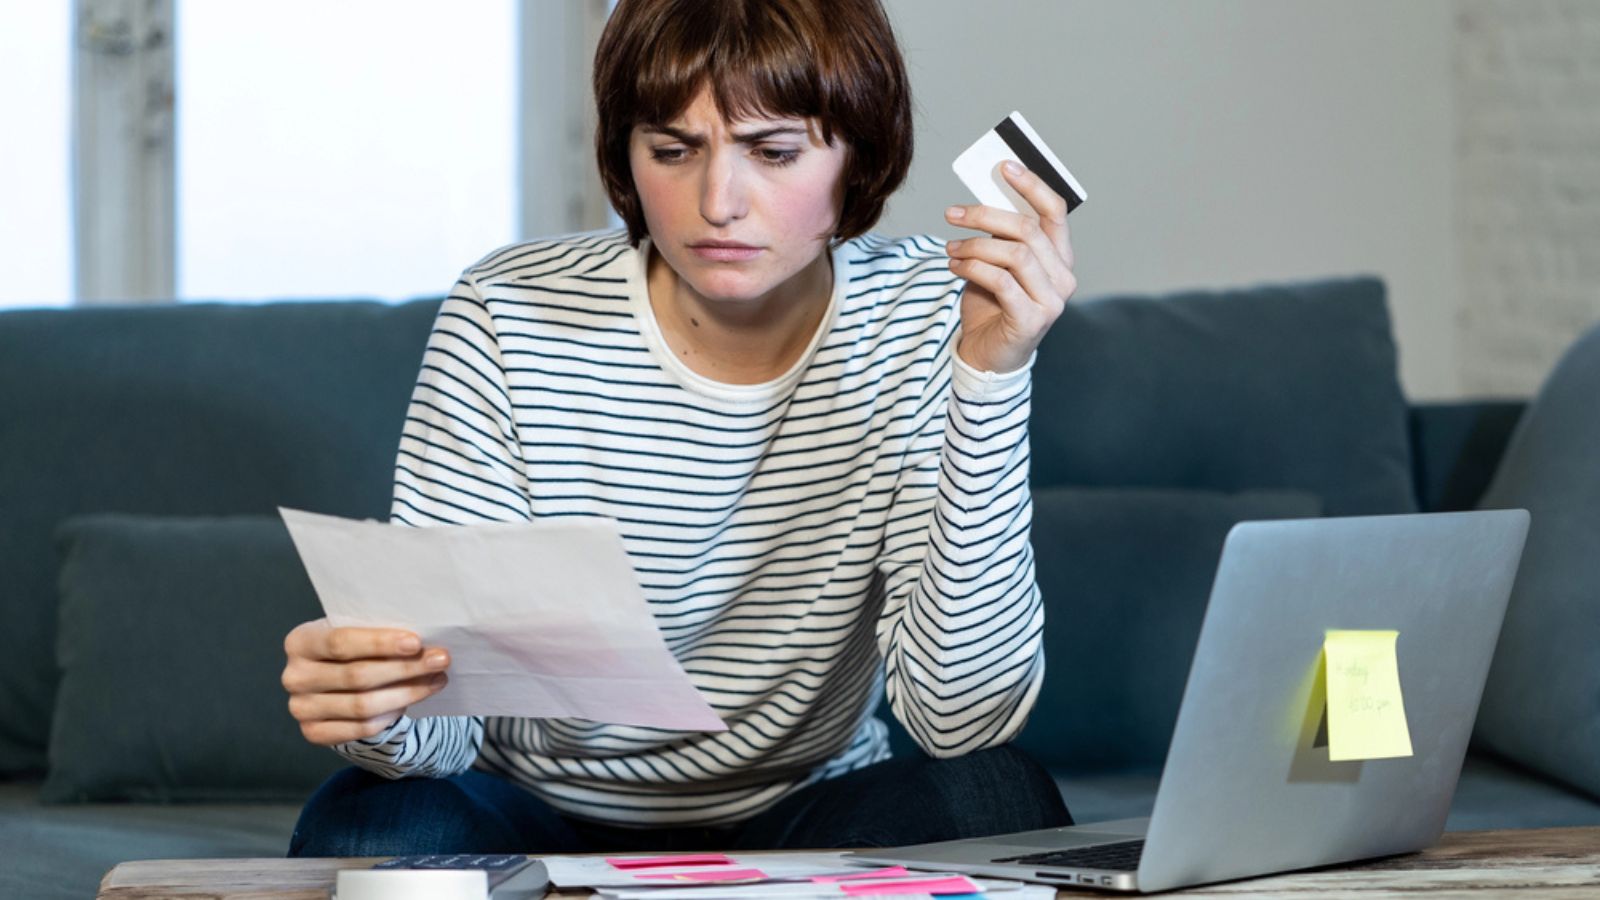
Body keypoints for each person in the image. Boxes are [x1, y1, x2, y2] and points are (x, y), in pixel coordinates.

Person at [283, 0, 1078, 857]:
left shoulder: (931, 312)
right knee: (369, 821)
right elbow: (439, 738)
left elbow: (960, 721)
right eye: (672, 150)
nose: (718, 203)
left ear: (860, 157)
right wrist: (379, 710)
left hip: (809, 805)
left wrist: (990, 380)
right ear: (625, 156)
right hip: (526, 807)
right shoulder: (507, 310)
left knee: (999, 793)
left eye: (774, 153)